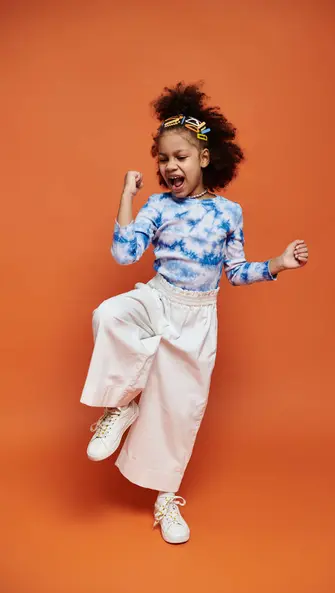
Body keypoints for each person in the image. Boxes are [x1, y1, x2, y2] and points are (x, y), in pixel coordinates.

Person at [80, 82, 309, 545]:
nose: (170, 167)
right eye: (163, 159)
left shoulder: (229, 213)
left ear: (204, 158)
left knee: (179, 412)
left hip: (199, 319)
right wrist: (126, 193)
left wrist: (278, 264)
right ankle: (121, 405)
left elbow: (237, 272)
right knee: (110, 314)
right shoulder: (157, 205)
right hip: (157, 299)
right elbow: (125, 255)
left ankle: (166, 500)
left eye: (180, 157)